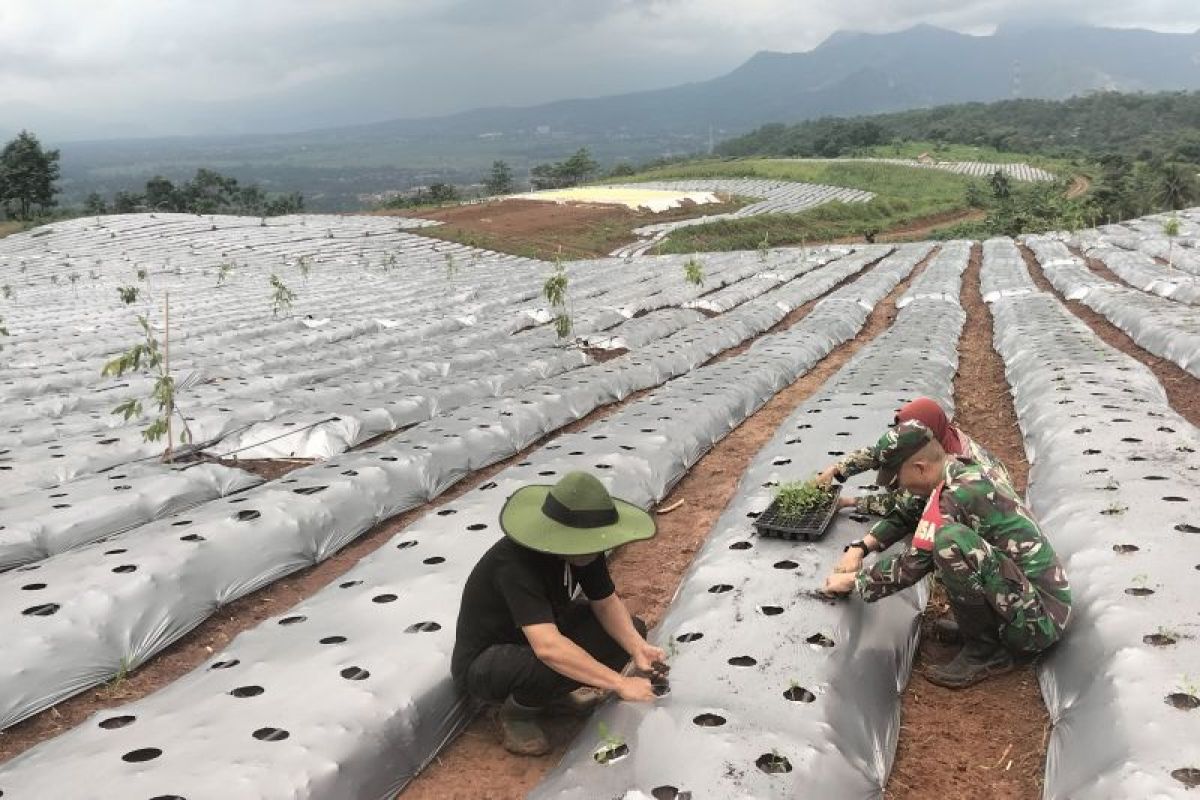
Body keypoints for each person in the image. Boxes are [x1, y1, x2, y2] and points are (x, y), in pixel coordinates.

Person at [823, 421, 1071, 688]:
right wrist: (861, 548)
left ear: (919, 468)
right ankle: (982, 631)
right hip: (1024, 599)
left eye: (898, 477)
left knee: (949, 543)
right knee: (950, 542)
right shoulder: (956, 471)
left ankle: (985, 652)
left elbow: (913, 564)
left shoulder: (960, 493)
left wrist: (853, 581)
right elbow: (908, 512)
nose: (898, 487)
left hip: (1039, 622)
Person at [451, 470, 666, 756]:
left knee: (630, 631)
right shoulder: (514, 564)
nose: (595, 550)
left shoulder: (585, 550)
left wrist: (637, 647)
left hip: (535, 635)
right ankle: (517, 714)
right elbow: (548, 648)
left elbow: (605, 602)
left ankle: (551, 697)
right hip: (488, 661)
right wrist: (620, 683)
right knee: (550, 661)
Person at [815, 396, 1015, 519]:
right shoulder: (935, 436)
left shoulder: (955, 468)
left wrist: (851, 502)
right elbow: (888, 451)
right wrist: (837, 469)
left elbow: (909, 505)